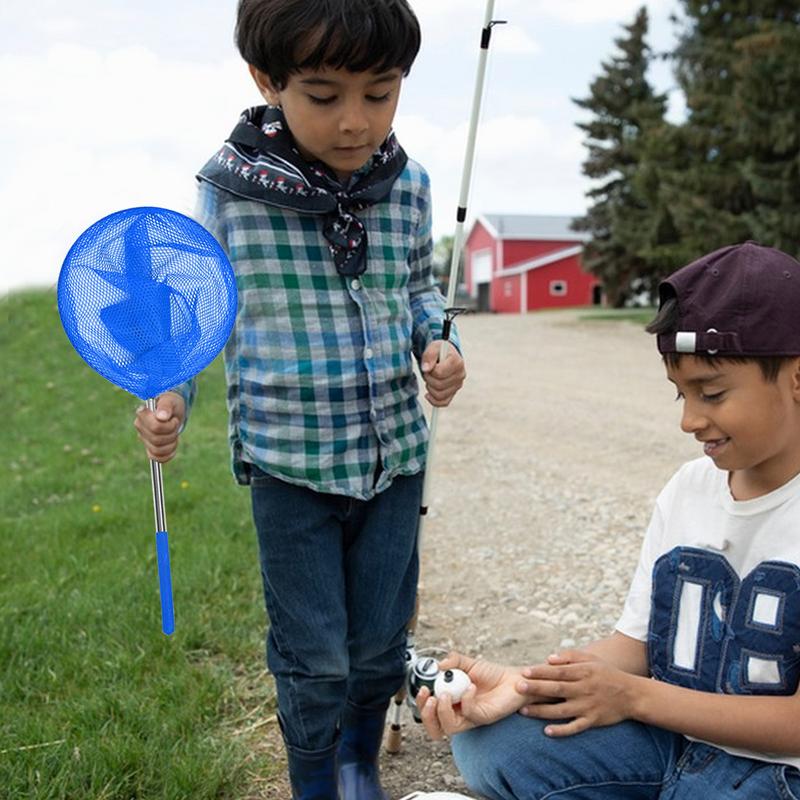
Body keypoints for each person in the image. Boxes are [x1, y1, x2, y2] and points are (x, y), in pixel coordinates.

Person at [134, 2, 466, 798]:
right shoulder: (230, 193)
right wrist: (169, 394)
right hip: (290, 465)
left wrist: (439, 342)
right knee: (314, 652)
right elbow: (197, 314)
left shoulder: (408, 184)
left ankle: (356, 760)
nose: (356, 121)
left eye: (380, 93)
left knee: (379, 642)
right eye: (323, 95)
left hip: (395, 460)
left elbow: (418, 288)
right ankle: (313, 774)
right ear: (267, 80)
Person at [418, 242, 800, 799]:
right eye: (681, 395)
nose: (690, 420)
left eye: (712, 393)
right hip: (676, 743)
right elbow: (635, 648)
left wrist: (634, 698)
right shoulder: (689, 488)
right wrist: (522, 685)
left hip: (779, 774)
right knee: (492, 741)